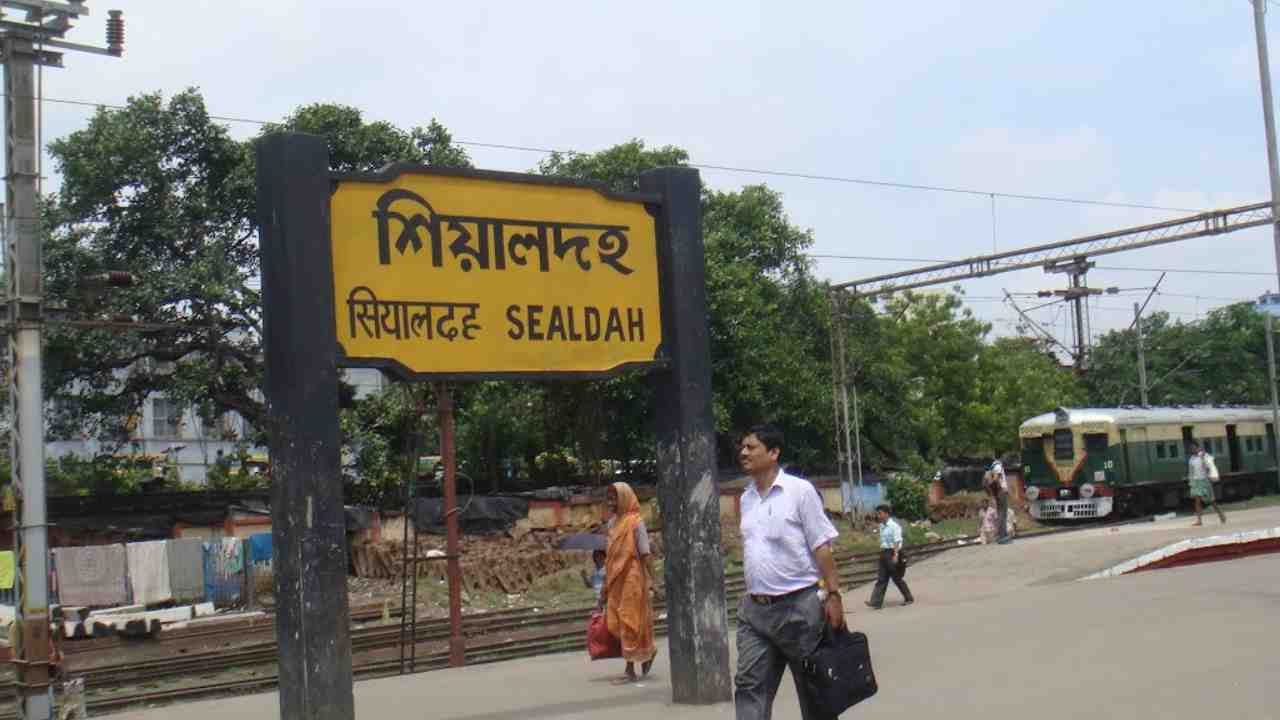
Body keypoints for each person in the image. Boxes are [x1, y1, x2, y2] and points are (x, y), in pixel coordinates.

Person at [734, 424, 844, 720]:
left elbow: (822, 547)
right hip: (755, 612)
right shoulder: (746, 499)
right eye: (742, 447)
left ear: (773, 453)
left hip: (800, 609)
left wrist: (833, 595)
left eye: (751, 447)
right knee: (748, 686)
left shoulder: (800, 491)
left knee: (813, 690)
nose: (743, 452)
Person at [600, 482, 657, 681]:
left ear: (624, 498)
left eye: (613, 498)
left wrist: (654, 581)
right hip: (615, 579)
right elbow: (609, 557)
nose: (610, 502)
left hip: (632, 578)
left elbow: (645, 553)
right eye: (608, 498)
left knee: (628, 620)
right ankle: (649, 651)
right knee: (614, 623)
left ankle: (630, 669)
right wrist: (604, 587)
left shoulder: (636, 522)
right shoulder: (611, 524)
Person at [866, 504, 914, 609]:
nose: (878, 515)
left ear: (887, 514)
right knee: (881, 578)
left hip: (893, 552)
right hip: (884, 553)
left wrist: (896, 555)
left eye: (880, 513)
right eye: (877, 513)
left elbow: (897, 541)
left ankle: (909, 598)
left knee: (896, 577)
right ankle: (876, 602)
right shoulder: (882, 526)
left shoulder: (894, 526)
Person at [1187, 442, 1226, 526]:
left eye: (1194, 448)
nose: (1192, 449)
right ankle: (1199, 520)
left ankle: (1221, 515)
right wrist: (1190, 481)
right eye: (1191, 448)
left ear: (1198, 448)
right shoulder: (1191, 459)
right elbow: (1191, 471)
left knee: (1211, 501)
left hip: (1205, 481)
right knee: (1197, 500)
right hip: (1196, 481)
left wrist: (1211, 475)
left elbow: (1210, 465)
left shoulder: (1204, 456)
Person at [984, 457, 1011, 545]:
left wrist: (993, 491)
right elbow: (996, 479)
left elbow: (988, 480)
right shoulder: (998, 466)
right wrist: (1001, 488)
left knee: (1000, 513)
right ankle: (1003, 537)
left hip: (997, 492)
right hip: (1001, 492)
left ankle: (1002, 536)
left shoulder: (990, 467)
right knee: (1002, 514)